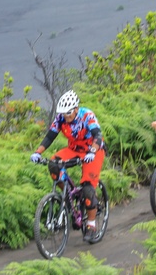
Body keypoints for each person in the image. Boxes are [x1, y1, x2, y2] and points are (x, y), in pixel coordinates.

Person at [31, 90, 107, 243]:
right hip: (74, 150)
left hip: (93, 151)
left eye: (68, 113)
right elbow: (50, 136)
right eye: (63, 114)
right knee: (54, 164)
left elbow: (97, 135)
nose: (66, 117)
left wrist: (92, 151)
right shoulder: (61, 118)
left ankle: (91, 225)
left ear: (76, 109)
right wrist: (38, 152)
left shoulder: (87, 116)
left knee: (88, 188)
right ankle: (67, 194)